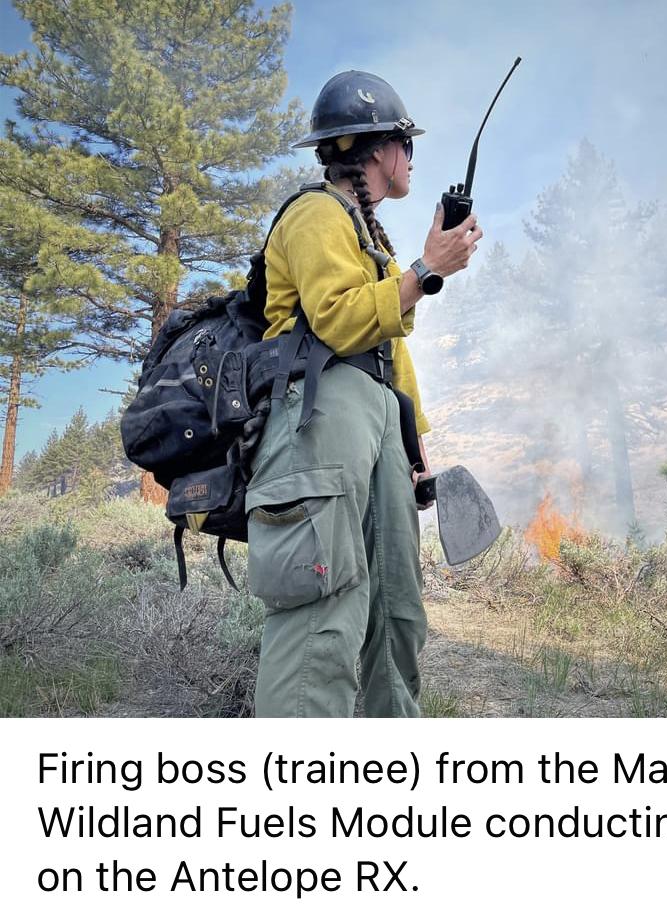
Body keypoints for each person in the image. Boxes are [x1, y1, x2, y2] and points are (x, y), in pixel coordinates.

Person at [245, 71, 482, 718]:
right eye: (406, 144)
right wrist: (426, 270)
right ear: (377, 148)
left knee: (398, 610)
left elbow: (389, 356)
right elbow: (337, 320)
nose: (411, 160)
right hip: (319, 414)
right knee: (324, 603)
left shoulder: (370, 238)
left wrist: (416, 448)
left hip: (378, 421)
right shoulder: (314, 214)